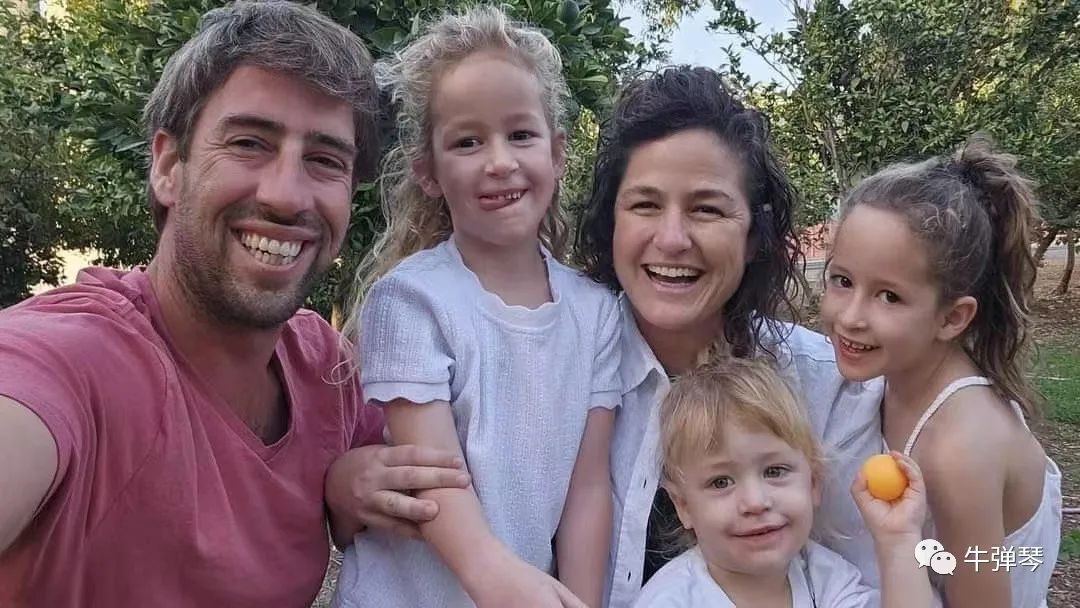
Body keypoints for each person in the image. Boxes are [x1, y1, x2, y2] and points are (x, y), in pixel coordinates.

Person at [324, 66, 886, 606]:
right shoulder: (554, 348)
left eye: (707, 209)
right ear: (610, 222)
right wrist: (341, 489)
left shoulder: (827, 389)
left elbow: (887, 574)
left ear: (755, 236)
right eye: (645, 205)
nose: (672, 239)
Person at [0, 2, 471, 606]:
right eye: (249, 143)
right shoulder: (73, 358)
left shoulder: (324, 371)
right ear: (168, 167)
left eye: (325, 160)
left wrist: (344, 483)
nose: (286, 195)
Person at [331, 6, 617, 608]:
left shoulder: (597, 314)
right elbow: (433, 476)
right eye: (468, 141)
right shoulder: (411, 300)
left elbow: (588, 490)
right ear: (429, 173)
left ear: (557, 153)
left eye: (521, 134)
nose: (499, 161)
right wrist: (498, 581)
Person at [820, 135, 1061, 607]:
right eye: (842, 280)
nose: (850, 316)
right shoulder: (898, 375)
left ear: (952, 318)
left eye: (889, 296)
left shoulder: (959, 450)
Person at [633, 357, 932, 608]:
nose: (755, 502)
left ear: (813, 483)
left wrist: (899, 541)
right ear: (683, 506)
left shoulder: (823, 578)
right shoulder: (671, 601)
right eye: (721, 482)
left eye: (774, 471)